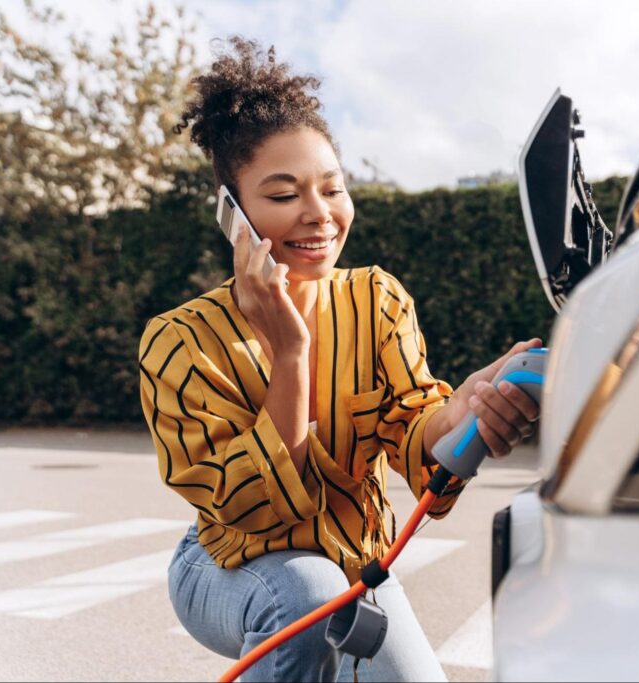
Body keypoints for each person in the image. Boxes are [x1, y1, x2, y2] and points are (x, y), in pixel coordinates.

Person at [137, 37, 541, 682]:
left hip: (355, 568)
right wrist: (292, 352)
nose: (319, 214)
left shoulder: (376, 298)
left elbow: (414, 428)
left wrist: (460, 410)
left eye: (333, 188)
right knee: (306, 595)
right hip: (231, 565)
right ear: (231, 213)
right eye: (282, 194)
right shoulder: (181, 341)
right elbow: (252, 510)